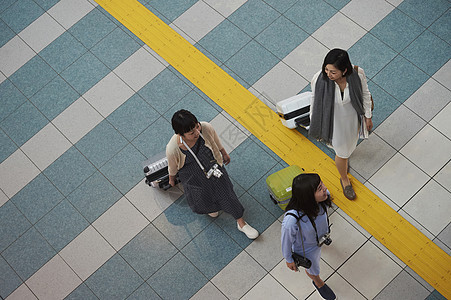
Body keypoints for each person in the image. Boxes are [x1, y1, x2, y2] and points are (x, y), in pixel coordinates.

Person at [166, 109, 259, 239]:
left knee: (227, 193)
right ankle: (211, 208)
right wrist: (171, 179)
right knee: (202, 196)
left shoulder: (205, 127)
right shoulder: (173, 148)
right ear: (180, 134)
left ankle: (241, 222)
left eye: (197, 126)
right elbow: (173, 166)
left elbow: (215, 140)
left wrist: (224, 153)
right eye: (191, 132)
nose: (197, 132)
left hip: (213, 167)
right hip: (193, 175)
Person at [309, 48, 373, 200]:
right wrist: (315, 120)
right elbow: (314, 99)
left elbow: (365, 94)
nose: (328, 75)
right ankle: (344, 179)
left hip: (352, 120)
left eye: (333, 72)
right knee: (342, 152)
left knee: (349, 146)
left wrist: (368, 116)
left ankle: (344, 159)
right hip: (333, 123)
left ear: (344, 70)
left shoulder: (358, 74)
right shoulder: (319, 78)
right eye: (326, 69)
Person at [281, 173, 336, 300]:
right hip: (307, 248)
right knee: (313, 269)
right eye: (320, 189)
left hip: (320, 236)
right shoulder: (291, 221)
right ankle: (318, 282)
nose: (325, 190)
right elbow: (286, 241)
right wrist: (289, 259)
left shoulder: (321, 199)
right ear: (307, 197)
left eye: (322, 185)